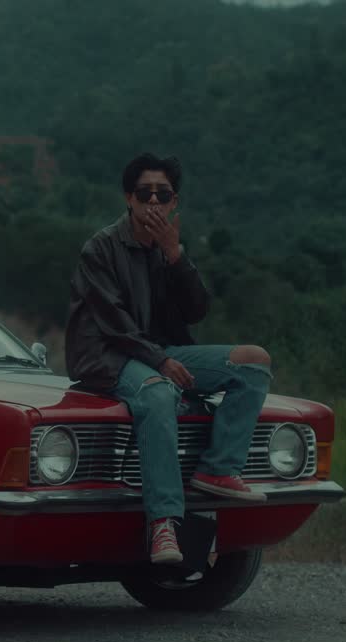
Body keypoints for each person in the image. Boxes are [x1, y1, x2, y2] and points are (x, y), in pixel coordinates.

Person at [64, 152, 273, 565]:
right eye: (145, 193)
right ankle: (164, 524)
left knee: (253, 362)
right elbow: (114, 323)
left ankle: (217, 468)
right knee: (158, 394)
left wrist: (176, 256)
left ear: (174, 202)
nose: (154, 202)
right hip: (107, 354)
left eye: (164, 194)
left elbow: (196, 311)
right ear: (129, 197)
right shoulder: (101, 248)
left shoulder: (166, 250)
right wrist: (160, 363)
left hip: (157, 350)